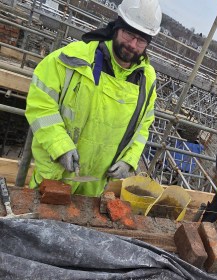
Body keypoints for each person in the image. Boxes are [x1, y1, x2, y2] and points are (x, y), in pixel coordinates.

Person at [25, 0, 162, 197]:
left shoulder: (146, 80)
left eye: (141, 40)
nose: (132, 45)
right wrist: (60, 146)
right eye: (129, 34)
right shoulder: (74, 59)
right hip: (55, 173)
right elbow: (40, 104)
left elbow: (143, 126)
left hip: (95, 184)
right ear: (117, 27)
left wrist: (130, 160)